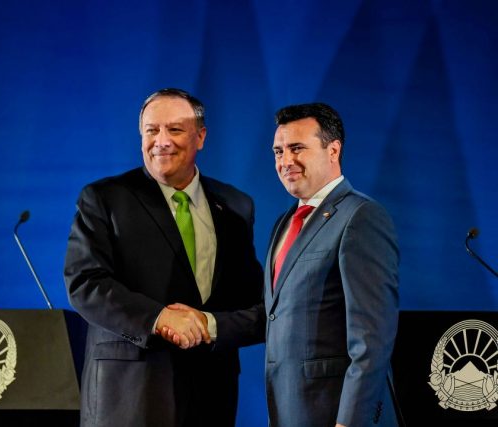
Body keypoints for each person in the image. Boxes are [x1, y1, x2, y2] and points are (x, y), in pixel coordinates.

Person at [63, 88, 263, 427]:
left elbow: (252, 300)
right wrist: (159, 318)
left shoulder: (235, 206)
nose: (161, 141)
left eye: (175, 129)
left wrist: (211, 325)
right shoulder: (105, 198)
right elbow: (85, 283)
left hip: (210, 395)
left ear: (201, 136)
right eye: (152, 130)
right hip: (129, 396)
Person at [264, 102, 400, 426]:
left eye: (297, 148)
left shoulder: (361, 217)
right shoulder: (284, 223)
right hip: (289, 411)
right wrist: (208, 324)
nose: (286, 161)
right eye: (279, 151)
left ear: (333, 150)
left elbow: (372, 340)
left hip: (334, 415)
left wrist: (349, 421)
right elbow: (275, 313)